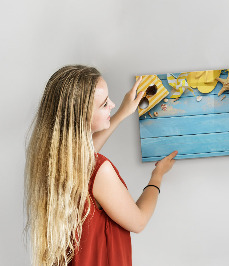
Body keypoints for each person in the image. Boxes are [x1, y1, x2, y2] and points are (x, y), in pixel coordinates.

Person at [24, 65, 177, 266]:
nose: (112, 104)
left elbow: (86, 156)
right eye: (105, 104)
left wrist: (122, 112)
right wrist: (157, 175)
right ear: (81, 117)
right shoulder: (99, 170)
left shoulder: (53, 160)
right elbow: (139, 221)